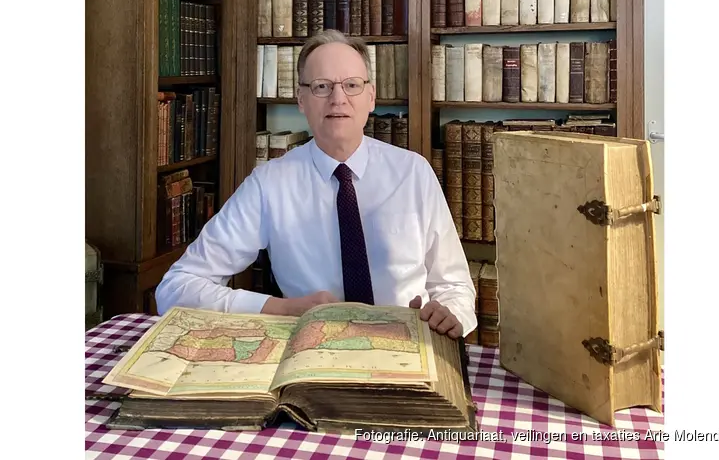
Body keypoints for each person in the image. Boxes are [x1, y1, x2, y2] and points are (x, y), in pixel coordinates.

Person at [155, 29, 477, 339]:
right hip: (312, 352)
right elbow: (176, 287)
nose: (338, 99)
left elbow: (455, 287)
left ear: (371, 97)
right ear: (301, 100)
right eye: (322, 86)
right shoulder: (270, 184)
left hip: (408, 347)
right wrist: (280, 308)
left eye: (351, 85)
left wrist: (450, 314)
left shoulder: (413, 173)